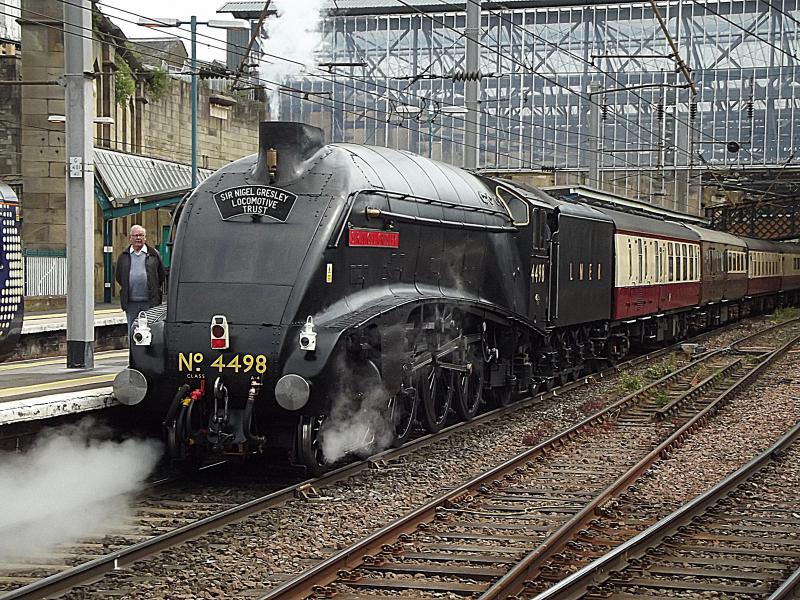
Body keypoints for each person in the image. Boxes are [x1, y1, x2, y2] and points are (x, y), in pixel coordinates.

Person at [115, 225, 166, 332]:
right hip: (131, 303)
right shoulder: (123, 256)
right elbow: (119, 277)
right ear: (130, 238)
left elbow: (161, 275)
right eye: (135, 235)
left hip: (150, 302)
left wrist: (154, 289)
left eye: (141, 235)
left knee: (151, 331)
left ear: (145, 238)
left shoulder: (153, 255)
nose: (138, 238)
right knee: (132, 331)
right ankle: (133, 350)